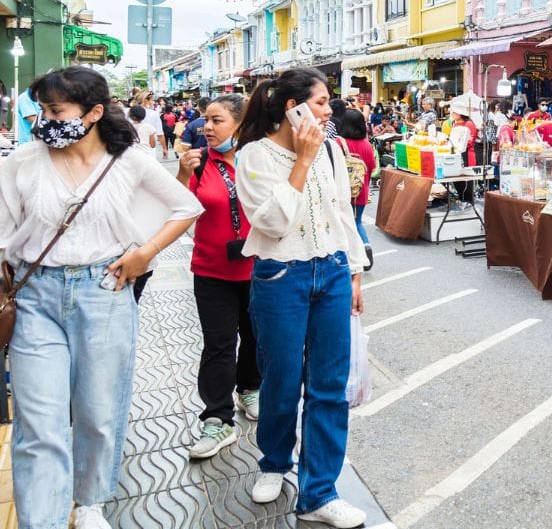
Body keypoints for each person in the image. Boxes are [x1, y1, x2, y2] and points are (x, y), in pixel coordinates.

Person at [0, 66, 201, 529]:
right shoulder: (23, 162)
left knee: (98, 408)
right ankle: (44, 521)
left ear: (93, 113)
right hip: (36, 295)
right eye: (41, 110)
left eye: (55, 110)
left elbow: (185, 206)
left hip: (105, 291)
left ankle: (90, 501)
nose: (44, 120)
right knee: (38, 421)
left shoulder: (127, 159)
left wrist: (145, 253)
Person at [234, 67, 368, 527]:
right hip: (279, 278)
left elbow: (342, 215)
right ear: (290, 108)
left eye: (329, 103)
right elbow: (270, 224)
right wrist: (303, 161)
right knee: (282, 380)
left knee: (329, 388)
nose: (329, 111)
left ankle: (319, 493)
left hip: (330, 271)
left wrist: (354, 273)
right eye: (320, 102)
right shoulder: (253, 156)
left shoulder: (332, 149)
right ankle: (273, 461)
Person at [175, 95, 261, 461]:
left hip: (259, 267)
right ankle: (217, 418)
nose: (206, 127)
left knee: (255, 335)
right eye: (205, 120)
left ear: (240, 125)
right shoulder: (197, 163)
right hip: (211, 269)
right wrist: (181, 174)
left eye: (217, 120)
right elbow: (177, 210)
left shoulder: (259, 160)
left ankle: (250, 389)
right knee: (218, 344)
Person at [338, 109, 377, 270]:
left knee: (343, 223)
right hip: (361, 191)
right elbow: (372, 168)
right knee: (357, 221)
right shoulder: (367, 145)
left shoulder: (338, 143)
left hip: (342, 192)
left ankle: (351, 254)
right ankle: (366, 245)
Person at [141, 93, 168, 160]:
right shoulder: (153, 114)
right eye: (151, 100)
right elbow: (160, 134)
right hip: (150, 147)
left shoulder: (128, 113)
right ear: (146, 101)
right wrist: (164, 148)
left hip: (134, 149)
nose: (153, 102)